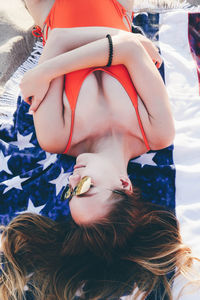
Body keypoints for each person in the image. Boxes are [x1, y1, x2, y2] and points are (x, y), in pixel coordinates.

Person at [0, 0, 198, 300]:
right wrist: (123, 44)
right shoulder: (157, 132)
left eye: (69, 193)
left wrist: (123, 43)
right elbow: (129, 49)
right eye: (85, 188)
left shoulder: (55, 136)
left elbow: (61, 39)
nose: (70, 181)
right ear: (123, 184)